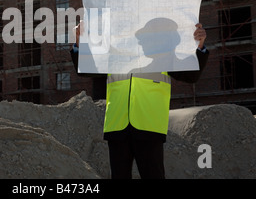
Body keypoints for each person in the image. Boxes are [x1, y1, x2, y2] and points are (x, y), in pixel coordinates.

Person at [70, 20, 209, 179]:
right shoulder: (114, 58)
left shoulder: (165, 58)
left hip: (149, 127)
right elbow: (85, 69)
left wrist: (199, 46)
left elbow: (191, 75)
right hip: (118, 127)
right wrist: (79, 41)